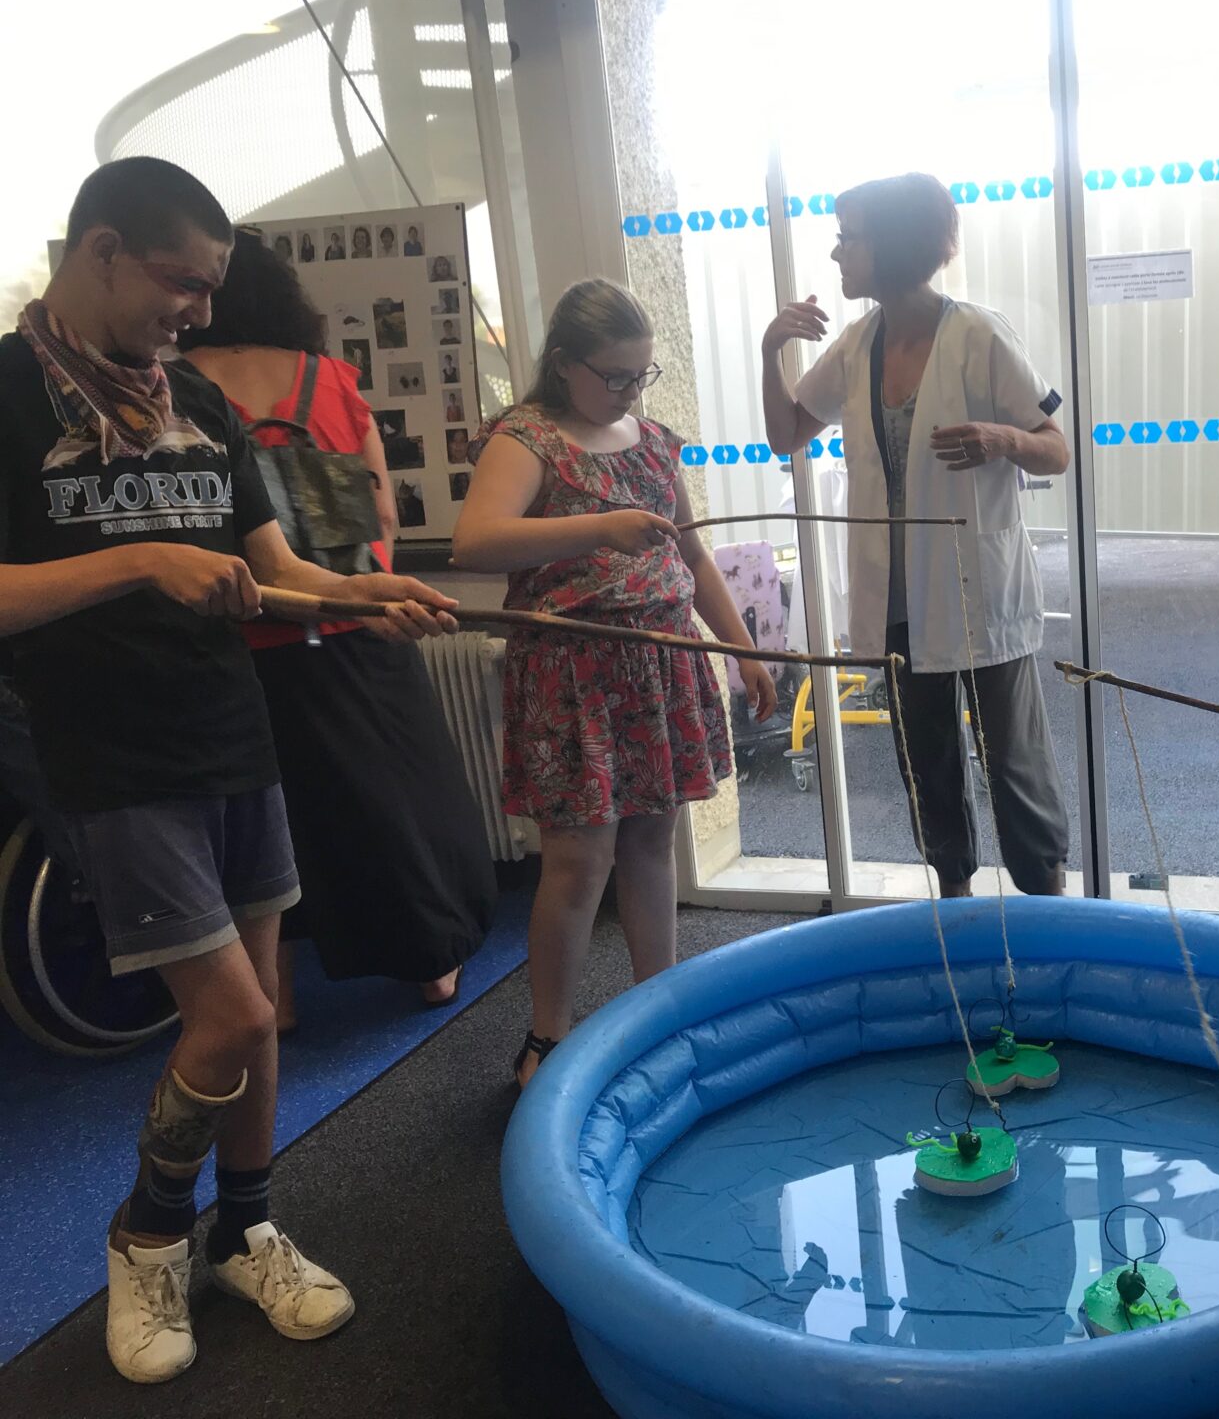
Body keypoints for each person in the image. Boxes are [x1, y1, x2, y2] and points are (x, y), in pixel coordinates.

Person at [0, 157, 458, 1384]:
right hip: (114, 758)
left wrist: (358, 591)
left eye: (208, 289)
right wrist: (141, 561)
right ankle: (146, 1237)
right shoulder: (1, 392)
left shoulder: (190, 392)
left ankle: (244, 1227)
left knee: (253, 1024)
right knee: (238, 1015)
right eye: (179, 283)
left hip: (234, 737)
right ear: (99, 251)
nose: (198, 311)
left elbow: (269, 561)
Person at [453, 278, 776, 1088]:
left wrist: (742, 648)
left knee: (651, 840)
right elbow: (477, 543)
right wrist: (603, 525)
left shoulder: (653, 438)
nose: (631, 392)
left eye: (642, 376)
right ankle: (548, 1039)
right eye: (616, 377)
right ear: (565, 366)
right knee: (577, 861)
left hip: (660, 664)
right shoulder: (526, 437)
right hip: (575, 674)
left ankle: (657, 1009)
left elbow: (692, 557)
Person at [177, 230, 496, 1030]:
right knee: (399, 801)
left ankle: (275, 996)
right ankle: (433, 967)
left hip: (241, 637)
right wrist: (362, 586)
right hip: (354, 622)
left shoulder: (178, 387)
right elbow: (380, 512)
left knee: (269, 823)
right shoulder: (327, 380)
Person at [761, 172, 1071, 899]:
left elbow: (1056, 446)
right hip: (898, 598)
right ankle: (956, 906)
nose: (836, 255)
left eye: (849, 238)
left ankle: (1047, 911)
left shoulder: (979, 334)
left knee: (1013, 765)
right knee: (924, 764)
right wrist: (771, 348)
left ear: (895, 246)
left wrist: (1002, 437)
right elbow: (787, 434)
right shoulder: (858, 343)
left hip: (978, 588)